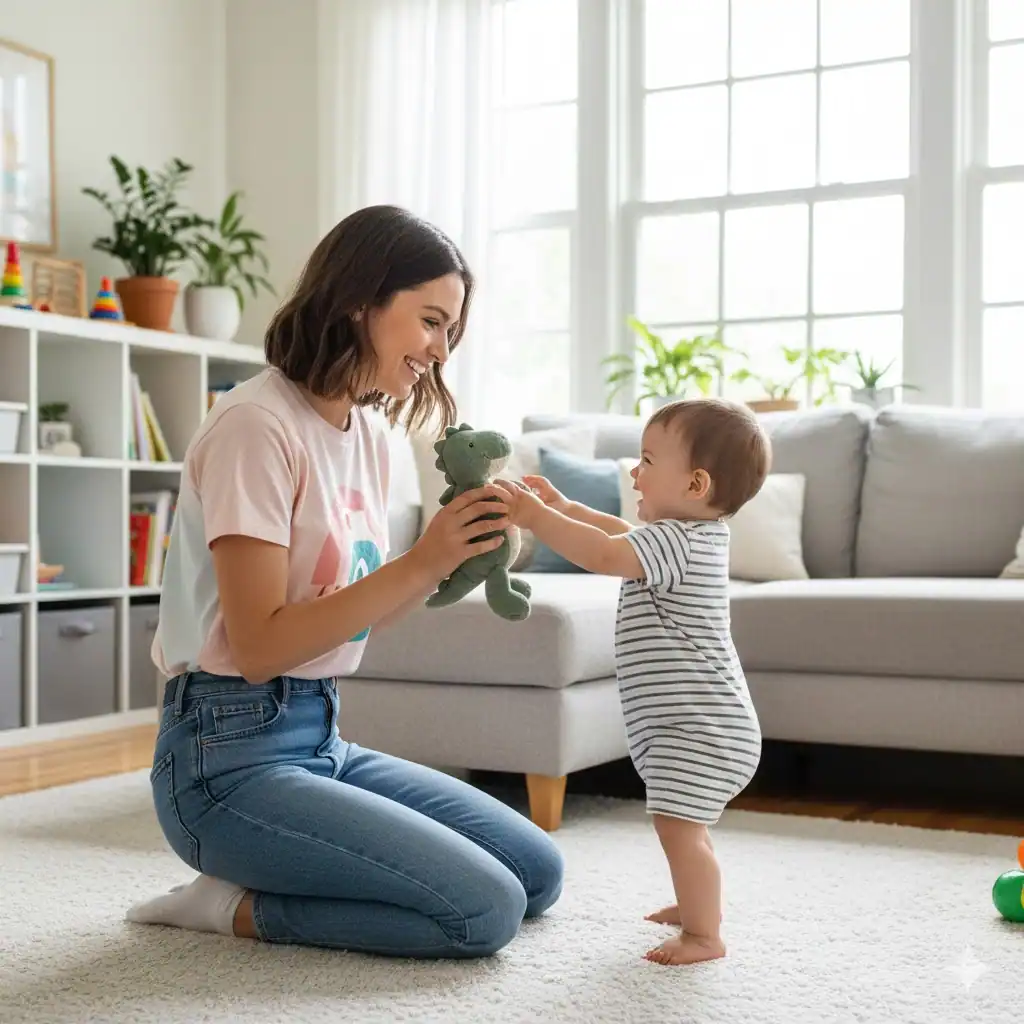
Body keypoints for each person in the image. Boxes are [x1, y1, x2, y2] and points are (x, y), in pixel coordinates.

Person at [125, 204, 564, 958]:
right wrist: (419, 562)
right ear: (361, 300)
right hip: (223, 761)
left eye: (450, 331)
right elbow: (259, 646)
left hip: (318, 734)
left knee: (538, 873)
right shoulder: (255, 427)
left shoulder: (367, 435)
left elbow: (354, 614)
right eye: (430, 321)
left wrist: (451, 560)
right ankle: (229, 906)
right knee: (482, 913)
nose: (439, 348)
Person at [493, 397, 768, 966]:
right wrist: (569, 505)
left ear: (695, 484)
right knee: (684, 826)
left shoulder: (674, 542)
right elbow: (619, 533)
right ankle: (698, 904)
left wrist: (538, 518)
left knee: (679, 828)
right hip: (706, 724)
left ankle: (704, 935)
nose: (633, 472)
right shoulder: (691, 537)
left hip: (699, 728)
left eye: (646, 460)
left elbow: (604, 552)